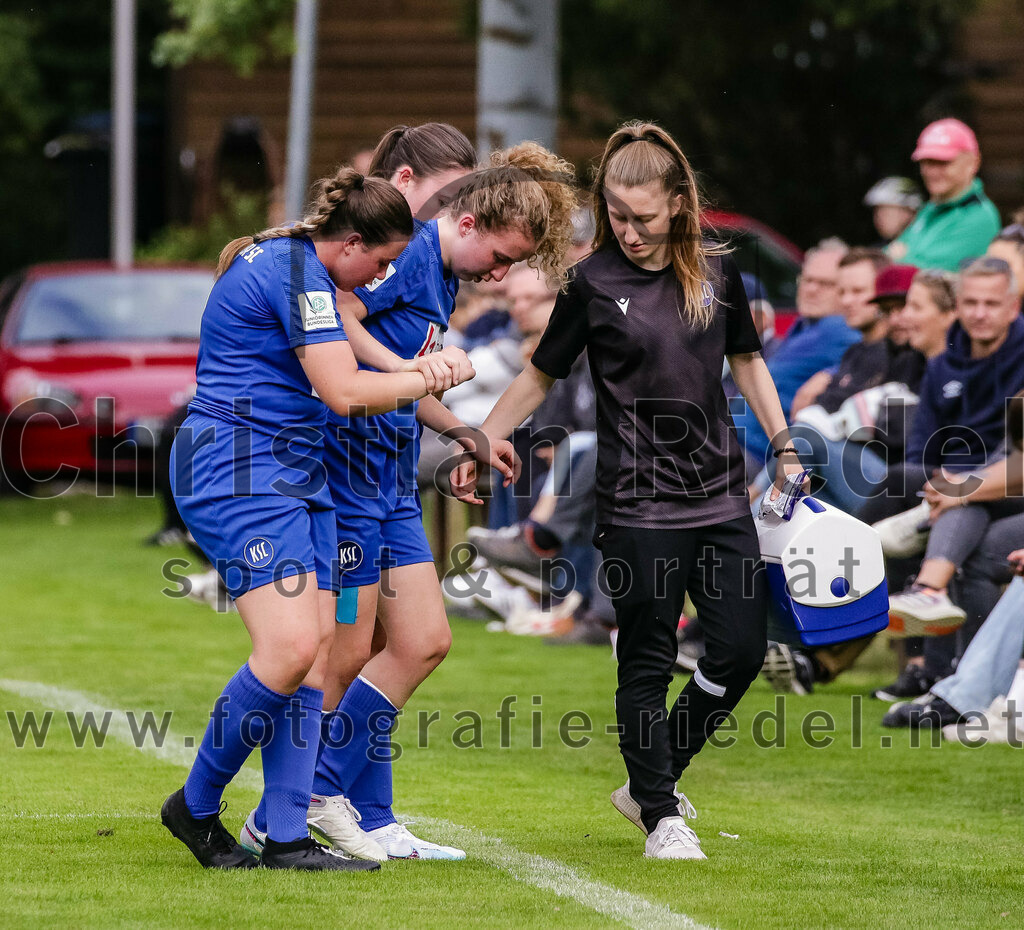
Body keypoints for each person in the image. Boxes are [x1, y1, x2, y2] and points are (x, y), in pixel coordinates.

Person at [452, 121, 803, 860]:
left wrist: (783, 442)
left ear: (679, 203)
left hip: (719, 494)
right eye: (616, 215)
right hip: (636, 502)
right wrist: (485, 440)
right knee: (645, 657)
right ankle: (660, 816)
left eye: (643, 217)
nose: (629, 231)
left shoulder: (718, 274)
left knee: (738, 650)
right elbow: (538, 374)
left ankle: (653, 777)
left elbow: (747, 362)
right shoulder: (592, 283)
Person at [241, 131, 579, 862]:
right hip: (346, 476)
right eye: (502, 257)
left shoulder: (445, 274)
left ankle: (356, 807)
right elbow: (336, 312)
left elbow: (411, 380)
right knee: (343, 655)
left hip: (389, 482)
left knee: (422, 641)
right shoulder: (416, 255)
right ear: (466, 224)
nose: (502, 275)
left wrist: (464, 432)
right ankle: (290, 810)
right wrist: (414, 372)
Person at [161, 167, 476, 872]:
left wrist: (411, 374)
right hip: (237, 468)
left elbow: (351, 341)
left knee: (326, 652)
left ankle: (287, 833)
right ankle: (197, 805)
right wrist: (427, 375)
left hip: (298, 470)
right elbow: (341, 391)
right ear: (353, 240)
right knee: (290, 648)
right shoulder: (292, 269)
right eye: (383, 261)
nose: (382, 277)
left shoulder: (307, 267)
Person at [730, 239, 858, 473]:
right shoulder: (803, 324)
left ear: (846, 290)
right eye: (807, 280)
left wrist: (829, 375)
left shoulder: (842, 328)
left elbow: (870, 359)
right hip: (729, 441)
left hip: (755, 455)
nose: (811, 289)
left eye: (825, 284)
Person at [888, 118, 1000, 271]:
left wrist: (900, 258)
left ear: (973, 163)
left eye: (943, 162)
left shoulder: (980, 217)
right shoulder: (931, 208)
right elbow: (886, 260)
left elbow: (928, 278)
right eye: (926, 162)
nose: (932, 171)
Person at [863, 176, 922, 244]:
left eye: (885, 212)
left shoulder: (927, 244)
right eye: (876, 213)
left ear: (908, 211)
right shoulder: (884, 246)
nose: (878, 218)